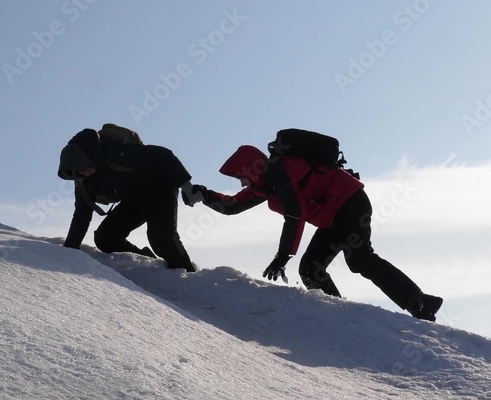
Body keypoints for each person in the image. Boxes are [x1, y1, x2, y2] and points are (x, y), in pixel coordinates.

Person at [190, 143, 443, 321]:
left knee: (360, 259)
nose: (241, 183)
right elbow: (233, 206)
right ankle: (337, 314)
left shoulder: (281, 172)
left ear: (250, 170)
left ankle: (420, 301)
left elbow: (294, 212)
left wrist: (283, 255)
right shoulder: (266, 185)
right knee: (311, 268)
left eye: (241, 177)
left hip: (350, 204)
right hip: (332, 218)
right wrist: (204, 194)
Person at [57, 127, 201, 272]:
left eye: (83, 169)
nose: (84, 174)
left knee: (162, 239)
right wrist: (69, 251)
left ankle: (188, 274)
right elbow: (81, 216)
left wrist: (186, 185)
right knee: (105, 238)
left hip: (160, 187)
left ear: (88, 158)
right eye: (78, 174)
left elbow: (163, 155)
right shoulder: (84, 181)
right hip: (135, 200)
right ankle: (147, 263)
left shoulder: (115, 151)